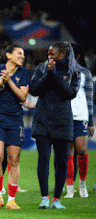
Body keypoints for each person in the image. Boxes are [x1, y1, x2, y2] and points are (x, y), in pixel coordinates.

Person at [29, 41, 80, 209]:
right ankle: (44, 197)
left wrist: (55, 76)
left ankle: (57, 199)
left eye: (53, 54)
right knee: (43, 158)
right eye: (48, 54)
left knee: (62, 161)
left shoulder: (74, 72)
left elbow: (69, 93)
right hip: (42, 119)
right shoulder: (42, 68)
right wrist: (49, 74)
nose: (49, 57)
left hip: (63, 121)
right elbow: (34, 90)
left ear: (63, 54)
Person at [0, 45, 30, 210]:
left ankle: (11, 199)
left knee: (14, 159)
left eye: (23, 54)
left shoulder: (24, 73)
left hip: (15, 119)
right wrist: (0, 82)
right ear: (8, 55)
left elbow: (22, 96)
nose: (22, 56)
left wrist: (9, 81)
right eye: (19, 53)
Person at [64, 44, 94, 198]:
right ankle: (69, 186)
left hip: (81, 116)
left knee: (81, 150)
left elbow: (89, 98)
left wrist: (91, 122)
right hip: (65, 116)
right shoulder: (60, 71)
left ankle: (82, 184)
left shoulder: (85, 73)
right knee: (68, 152)